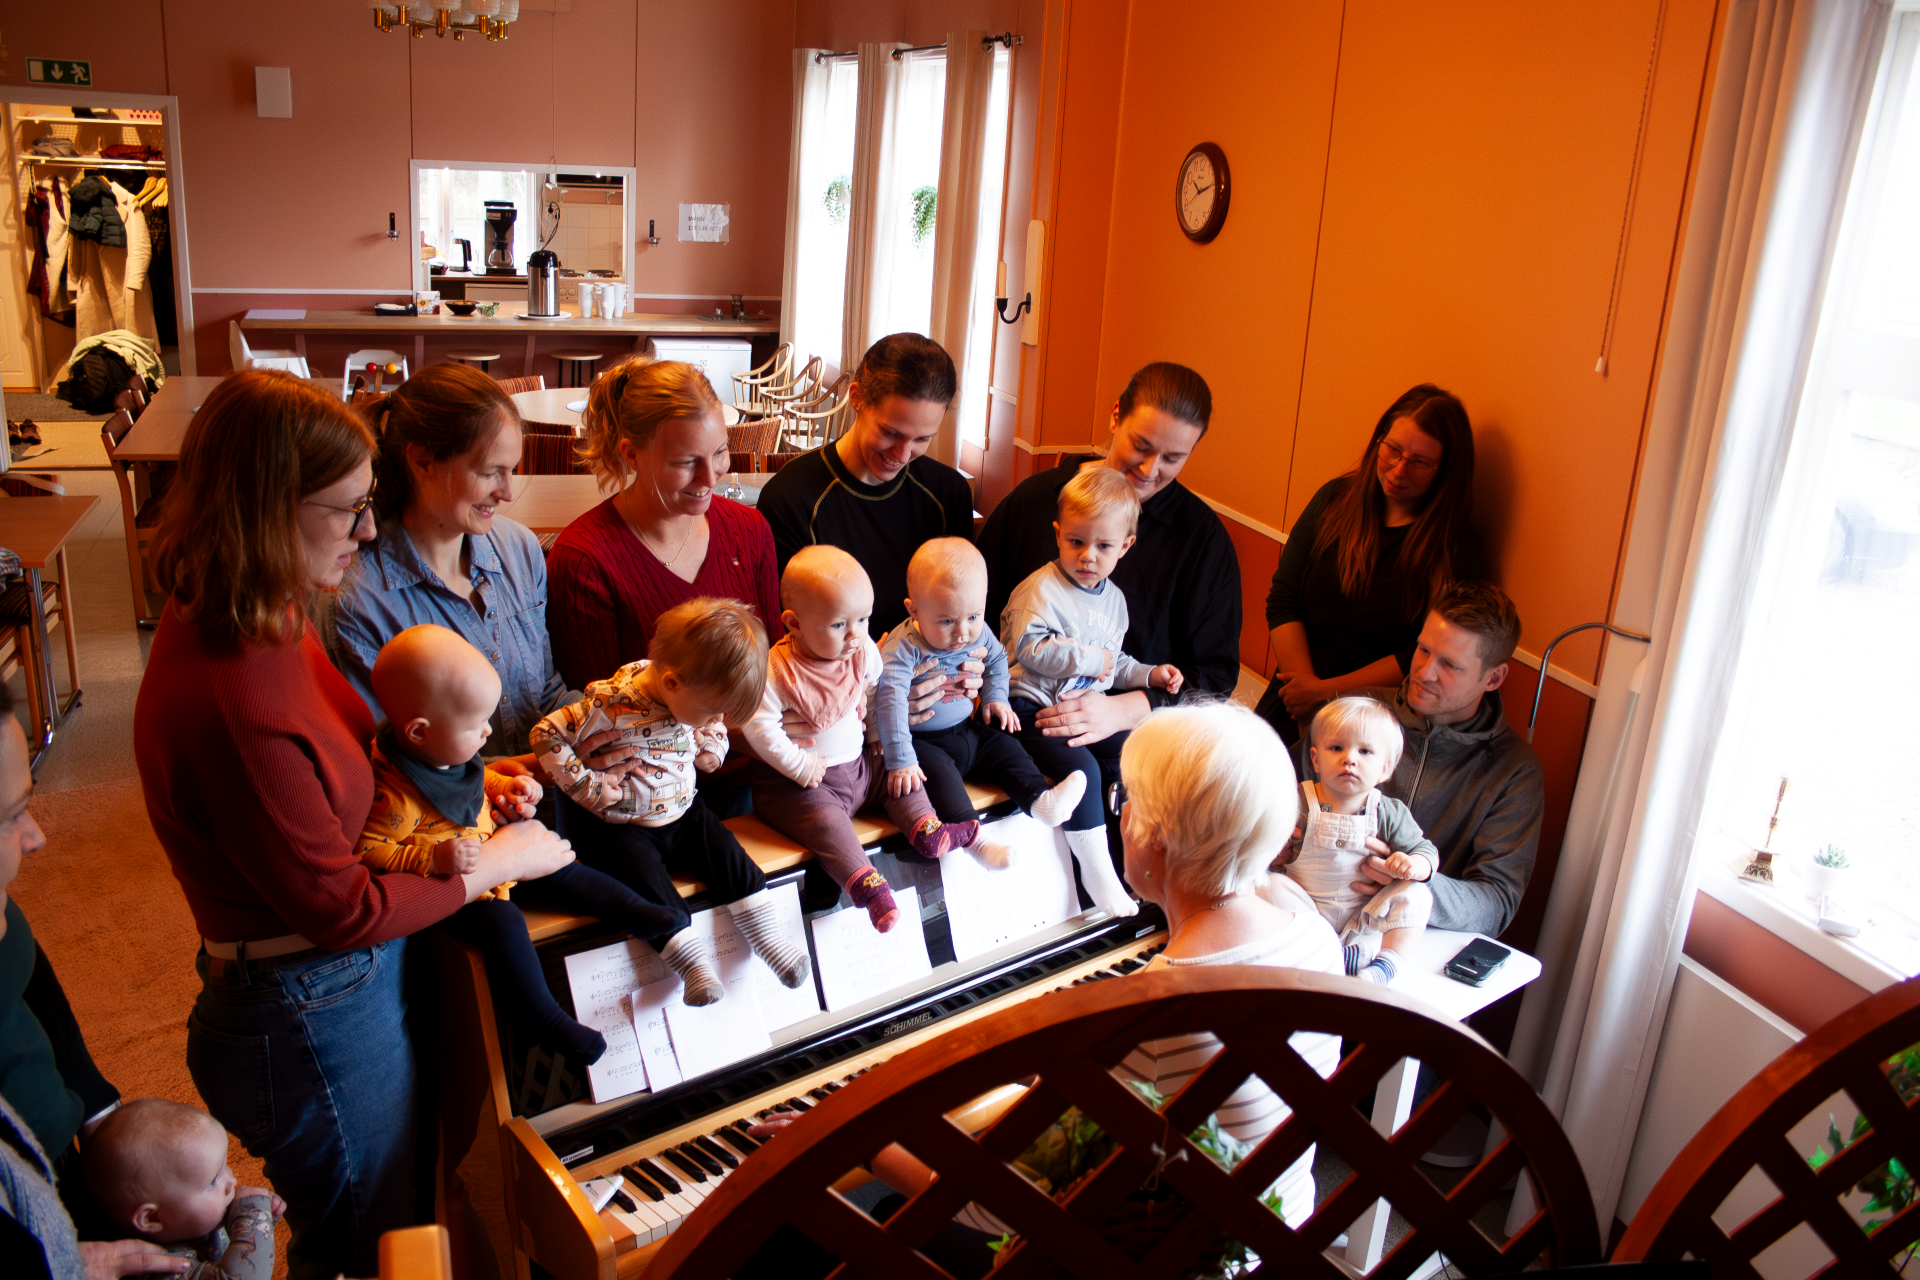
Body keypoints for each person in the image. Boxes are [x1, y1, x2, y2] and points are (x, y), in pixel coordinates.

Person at [132, 370, 574, 1280]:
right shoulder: (234, 692)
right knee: (369, 1246)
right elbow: (338, 907)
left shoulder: (270, 602)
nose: (369, 531)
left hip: (330, 979)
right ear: (263, 509)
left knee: (405, 1202)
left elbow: (357, 757)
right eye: (346, 511)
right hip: (306, 999)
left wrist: (464, 782)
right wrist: (488, 863)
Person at [795, 702, 1343, 1259]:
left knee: (876, 1220)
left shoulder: (1154, 1013)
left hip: (1172, 1262)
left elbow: (995, 1206)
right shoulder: (1312, 933)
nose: (1120, 817)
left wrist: (851, 1141)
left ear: (1154, 837)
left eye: (1126, 803)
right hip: (1272, 1240)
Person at [357, 626, 683, 1063]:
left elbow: (475, 779)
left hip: (497, 857)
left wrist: (507, 788)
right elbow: (369, 851)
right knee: (504, 923)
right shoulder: (394, 793)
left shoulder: (443, 747)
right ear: (419, 731)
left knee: (563, 868)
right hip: (454, 893)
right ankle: (541, 1018)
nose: (487, 733)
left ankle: (640, 914)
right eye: (476, 725)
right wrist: (430, 857)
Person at [975, 362, 1240, 813]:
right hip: (1012, 728)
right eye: (1142, 445)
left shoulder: (1202, 541)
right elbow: (974, 611)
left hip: (1132, 761)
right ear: (1116, 415)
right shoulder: (1037, 499)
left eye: (1173, 458)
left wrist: (1130, 706)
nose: (1150, 469)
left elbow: (1213, 678)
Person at [530, 598, 810, 1007]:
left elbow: (712, 724)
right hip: (624, 827)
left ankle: (771, 941)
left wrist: (713, 745)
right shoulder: (608, 705)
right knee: (646, 885)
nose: (714, 719)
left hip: (685, 811)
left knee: (729, 853)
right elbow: (544, 735)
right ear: (673, 684)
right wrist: (587, 787)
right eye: (711, 712)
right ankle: (693, 964)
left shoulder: (693, 691)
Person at [0, 683, 190, 1280]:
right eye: (8, 817)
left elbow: (34, 986)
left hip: (57, 1162)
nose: (37, 837)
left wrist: (102, 1115)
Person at [1259, 383, 1484, 745]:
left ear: (1445, 472)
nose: (1398, 470)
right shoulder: (1334, 500)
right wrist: (1305, 704)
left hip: (1379, 717)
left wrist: (1325, 695)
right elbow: (1284, 599)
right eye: (1392, 450)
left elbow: (1423, 651)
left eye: (1420, 463)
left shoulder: (1455, 547)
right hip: (1293, 692)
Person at [1000, 466, 1180, 917]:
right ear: (1058, 534)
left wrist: (1149, 674)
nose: (1087, 557)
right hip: (1032, 708)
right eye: (1075, 542)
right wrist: (1090, 660)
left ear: (1125, 546)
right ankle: (1096, 874)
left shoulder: (1113, 601)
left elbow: (1113, 663)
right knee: (1083, 772)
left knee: (1136, 757)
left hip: (1083, 708)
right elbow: (1030, 648)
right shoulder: (1039, 590)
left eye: (1102, 546)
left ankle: (1138, 861)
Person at [546, 357, 782, 693]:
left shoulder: (749, 529)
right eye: (687, 462)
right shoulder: (585, 561)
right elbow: (600, 714)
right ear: (631, 455)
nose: (710, 476)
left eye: (719, 453)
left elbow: (776, 664)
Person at [873, 540, 1085, 869]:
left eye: (973, 615)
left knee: (1005, 746)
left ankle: (1041, 801)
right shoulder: (902, 650)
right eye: (946, 622)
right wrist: (901, 761)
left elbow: (999, 659)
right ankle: (976, 842)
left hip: (967, 730)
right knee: (939, 778)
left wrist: (995, 697)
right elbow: (890, 705)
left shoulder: (977, 631)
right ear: (913, 609)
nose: (963, 632)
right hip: (923, 743)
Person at [1352, 581, 1543, 937]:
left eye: (1450, 665)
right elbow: (1271, 802)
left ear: (1494, 677)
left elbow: (1496, 903)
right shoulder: (1357, 710)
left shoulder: (1514, 770)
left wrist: (1411, 883)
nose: (1424, 672)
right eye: (1423, 649)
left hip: (1411, 944)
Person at [756, 333, 975, 638]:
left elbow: (966, 611)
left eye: (922, 439)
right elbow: (787, 633)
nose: (902, 455)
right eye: (890, 432)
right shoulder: (790, 498)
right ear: (856, 397)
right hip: (830, 680)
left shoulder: (948, 495)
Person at [740, 548, 900, 932]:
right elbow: (757, 726)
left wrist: (877, 732)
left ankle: (927, 828)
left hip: (856, 768)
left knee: (903, 772)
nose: (856, 635)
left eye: (863, 619)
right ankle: (867, 885)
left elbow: (877, 690)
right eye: (839, 625)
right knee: (827, 822)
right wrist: (800, 765)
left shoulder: (860, 653)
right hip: (797, 783)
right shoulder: (777, 670)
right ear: (794, 624)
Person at [1277, 696, 1436, 985]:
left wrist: (1415, 864)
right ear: (1315, 759)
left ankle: (1385, 966)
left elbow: (1425, 850)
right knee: (1265, 885)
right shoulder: (1295, 802)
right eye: (1336, 748)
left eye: (1364, 751)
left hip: (1363, 916)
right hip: (1304, 909)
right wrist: (1270, 851)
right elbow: (1257, 839)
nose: (1349, 758)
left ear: (1386, 768)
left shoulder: (1388, 812)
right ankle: (1309, 953)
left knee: (1417, 895)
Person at [83, 1100, 282, 1280]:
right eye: (212, 1181)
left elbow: (234, 1243)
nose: (232, 1180)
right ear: (153, 1218)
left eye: (224, 1167)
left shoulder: (186, 1221)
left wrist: (255, 1222)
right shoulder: (162, 1268)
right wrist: (253, 1213)